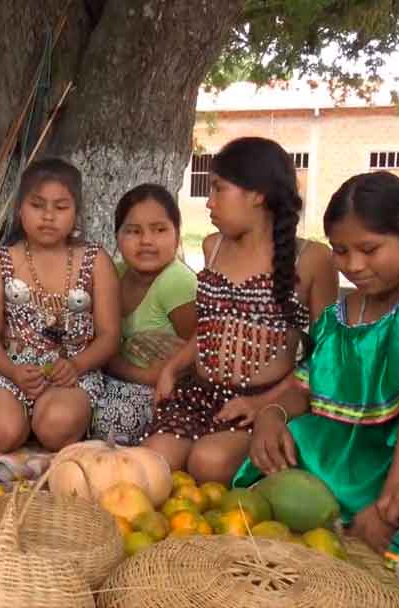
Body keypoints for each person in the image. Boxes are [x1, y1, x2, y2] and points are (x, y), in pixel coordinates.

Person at [229, 172, 399, 577]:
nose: (354, 266)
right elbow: (307, 385)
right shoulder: (339, 318)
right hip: (355, 455)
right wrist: (271, 415)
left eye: (369, 249)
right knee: (278, 460)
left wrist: (391, 503)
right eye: (340, 251)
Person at [141, 137, 338, 484]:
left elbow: (327, 354)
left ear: (257, 193)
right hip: (200, 394)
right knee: (154, 462)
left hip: (260, 406)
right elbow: (211, 326)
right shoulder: (212, 246)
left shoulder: (311, 259)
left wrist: (264, 403)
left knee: (208, 463)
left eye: (218, 189)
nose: (209, 203)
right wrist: (172, 368)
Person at [0, 159, 120, 452]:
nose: (48, 216)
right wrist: (12, 372)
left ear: (76, 213)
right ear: (19, 209)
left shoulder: (96, 260)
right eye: (37, 205)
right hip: (10, 369)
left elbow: (110, 336)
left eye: (61, 207)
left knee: (54, 426)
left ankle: (41, 421)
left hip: (73, 372)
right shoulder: (0, 261)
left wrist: (76, 365)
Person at [100, 184, 197, 445]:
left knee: (111, 420)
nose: (146, 241)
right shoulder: (112, 274)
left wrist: (132, 371)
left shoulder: (176, 282)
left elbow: (199, 354)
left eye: (160, 230)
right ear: (117, 237)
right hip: (118, 382)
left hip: (165, 393)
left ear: (177, 235)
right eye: (133, 231)